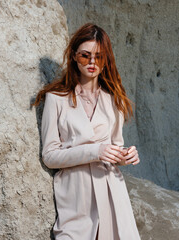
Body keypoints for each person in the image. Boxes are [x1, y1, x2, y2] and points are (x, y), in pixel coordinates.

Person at [34, 23, 141, 240]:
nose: (92, 62)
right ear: (74, 56)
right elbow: (50, 156)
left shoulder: (114, 100)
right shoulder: (56, 98)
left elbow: (115, 147)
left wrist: (126, 155)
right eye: (85, 55)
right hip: (77, 195)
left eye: (99, 57)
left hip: (112, 191)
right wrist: (96, 151)